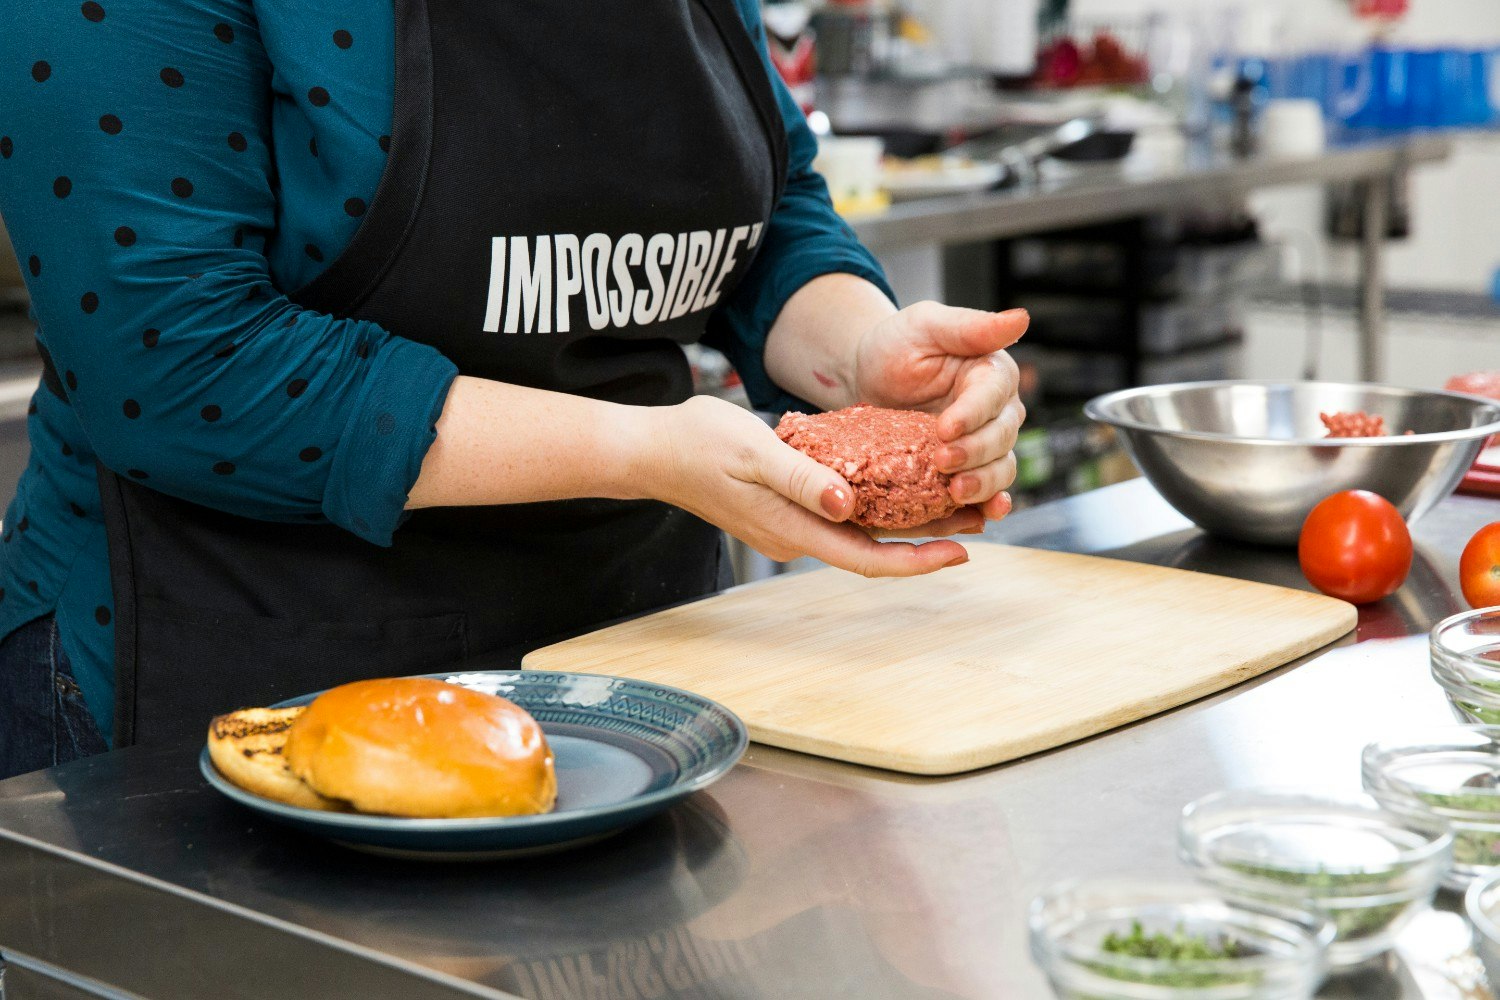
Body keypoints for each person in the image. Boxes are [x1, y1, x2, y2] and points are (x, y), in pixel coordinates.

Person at [0, 0, 1026, 778]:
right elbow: (176, 362)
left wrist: (869, 354)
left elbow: (775, 205)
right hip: (247, 684)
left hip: (639, 672)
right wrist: (646, 451)